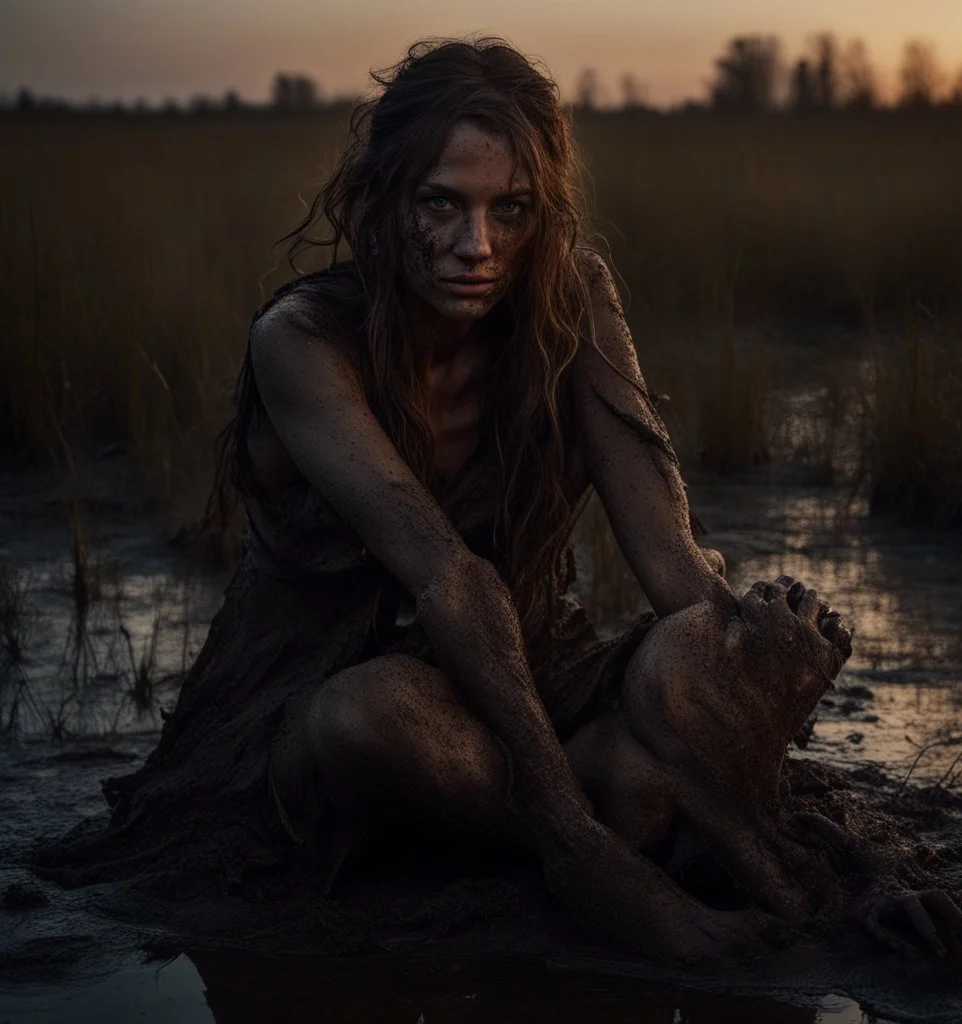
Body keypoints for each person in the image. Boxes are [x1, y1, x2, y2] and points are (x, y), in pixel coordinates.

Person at [37, 38, 855, 963]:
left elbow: (670, 561)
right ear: (383, 202)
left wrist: (751, 664)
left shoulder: (574, 295)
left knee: (699, 644)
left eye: (511, 210)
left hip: (535, 675)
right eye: (444, 204)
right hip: (335, 697)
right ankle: (594, 833)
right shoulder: (304, 340)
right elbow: (449, 577)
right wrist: (592, 858)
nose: (479, 247)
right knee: (375, 715)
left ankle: (600, 811)